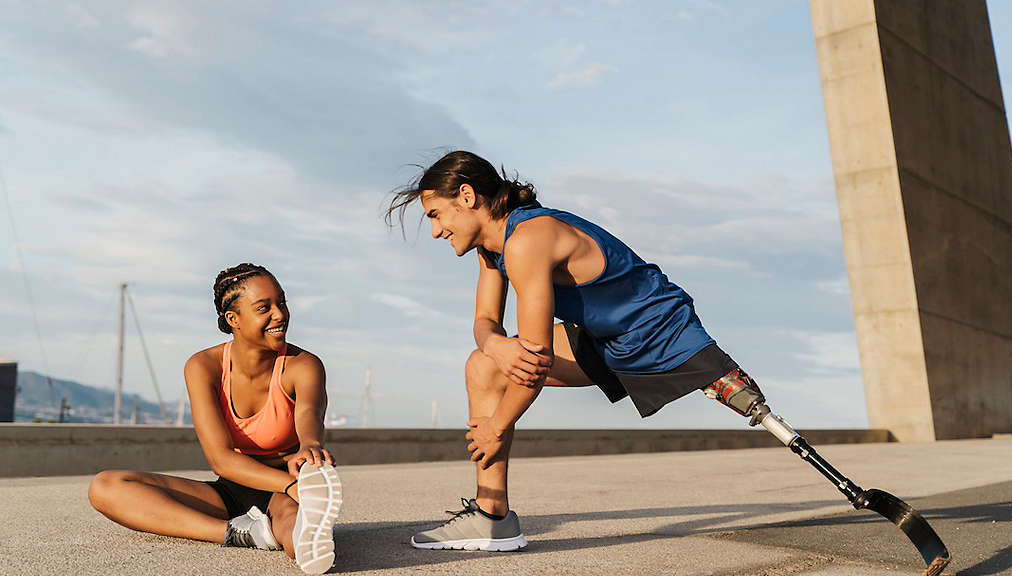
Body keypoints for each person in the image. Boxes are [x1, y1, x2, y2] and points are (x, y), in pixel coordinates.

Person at [385, 151, 766, 551]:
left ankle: (713, 374)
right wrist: (495, 344)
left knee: (506, 367)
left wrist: (496, 427)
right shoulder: (492, 249)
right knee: (484, 365)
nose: (435, 231)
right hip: (602, 337)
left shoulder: (528, 239)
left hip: (656, 332)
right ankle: (491, 516)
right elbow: (484, 322)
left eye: (434, 215)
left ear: (466, 196)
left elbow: (535, 362)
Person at [88, 263, 343, 575]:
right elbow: (220, 459)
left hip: (282, 488)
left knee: (298, 540)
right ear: (232, 319)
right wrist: (292, 486)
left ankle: (302, 532)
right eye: (264, 307)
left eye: (282, 302)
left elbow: (309, 414)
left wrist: (309, 448)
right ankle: (241, 532)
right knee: (106, 486)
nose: (280, 314)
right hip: (234, 488)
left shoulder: (303, 365)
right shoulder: (203, 366)